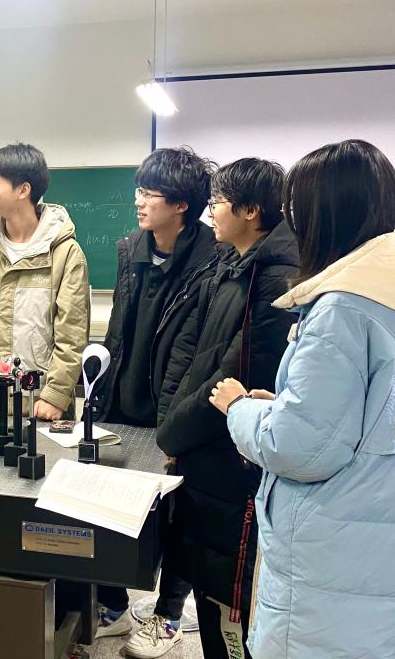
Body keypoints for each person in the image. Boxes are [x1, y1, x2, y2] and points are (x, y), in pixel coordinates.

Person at [212, 140, 395, 659]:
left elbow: (297, 448)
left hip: (337, 565)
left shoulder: (342, 310)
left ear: (321, 215)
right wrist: (285, 405)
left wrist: (240, 408)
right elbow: (371, 421)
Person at [155, 159, 298, 658]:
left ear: (251, 210)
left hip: (233, 462)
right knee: (209, 588)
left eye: (218, 202)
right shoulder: (228, 263)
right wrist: (171, 425)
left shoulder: (276, 278)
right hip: (203, 454)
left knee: (231, 603)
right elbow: (190, 352)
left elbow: (236, 377)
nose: (210, 211)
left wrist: (175, 434)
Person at [95, 146, 217, 654]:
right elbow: (117, 327)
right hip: (124, 406)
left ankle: (168, 615)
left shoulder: (214, 259)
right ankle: (114, 606)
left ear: (182, 205)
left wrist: (178, 421)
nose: (138, 201)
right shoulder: (131, 249)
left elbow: (203, 350)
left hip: (176, 411)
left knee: (178, 520)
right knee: (108, 509)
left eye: (150, 193)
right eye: (138, 191)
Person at [0, 143, 89, 419]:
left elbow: (72, 336)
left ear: (23, 190)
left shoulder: (65, 254)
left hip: (39, 405)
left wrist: (55, 395)